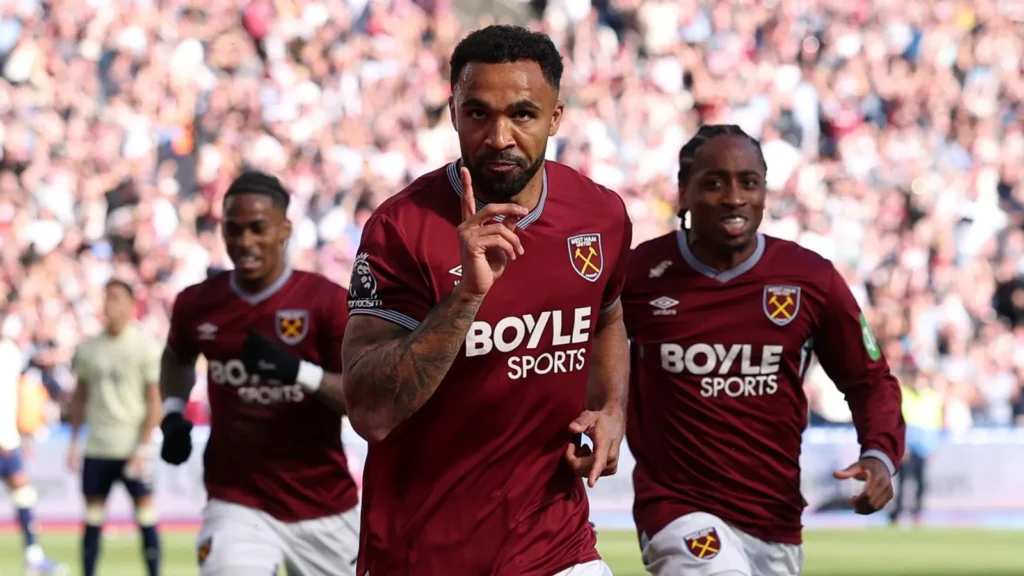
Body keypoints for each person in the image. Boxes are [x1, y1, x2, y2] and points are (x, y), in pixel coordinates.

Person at [339, 24, 632, 575]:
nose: (499, 137)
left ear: (556, 117)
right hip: (421, 552)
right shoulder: (400, 229)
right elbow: (370, 411)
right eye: (478, 114)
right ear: (453, 114)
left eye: (522, 114)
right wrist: (465, 298)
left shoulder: (601, 214)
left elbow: (609, 316)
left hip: (554, 544)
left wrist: (613, 410)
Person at [620, 125, 906, 576]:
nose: (734, 197)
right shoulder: (639, 275)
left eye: (749, 183)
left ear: (765, 193)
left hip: (775, 520)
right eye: (714, 183)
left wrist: (879, 455)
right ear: (684, 192)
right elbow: (580, 356)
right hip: (676, 508)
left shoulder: (810, 279)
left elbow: (869, 381)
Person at [158, 170, 359, 576]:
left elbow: (361, 400)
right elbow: (177, 358)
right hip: (236, 499)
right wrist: (173, 413)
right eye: (233, 230)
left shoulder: (326, 303)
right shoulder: (197, 304)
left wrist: (298, 372)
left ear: (285, 229)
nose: (244, 242)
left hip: (322, 502)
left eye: (257, 229)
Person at [68, 279, 163, 576]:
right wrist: (74, 441)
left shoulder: (145, 346)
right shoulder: (89, 349)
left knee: (145, 514)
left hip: (132, 447)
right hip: (98, 446)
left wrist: (143, 447)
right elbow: (79, 397)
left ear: (132, 304)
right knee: (93, 516)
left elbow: (155, 401)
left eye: (116, 298)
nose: (109, 305)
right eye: (106, 298)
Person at [0, 329, 63, 574]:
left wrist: (22, 432)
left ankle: (33, 557)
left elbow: (17, 395)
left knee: (24, 493)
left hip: (9, 440)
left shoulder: (11, 352)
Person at [889, 372, 944, 527]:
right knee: (902, 479)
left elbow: (935, 423)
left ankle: (917, 511)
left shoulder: (932, 397)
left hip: (924, 444)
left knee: (920, 480)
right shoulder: (904, 395)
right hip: (907, 442)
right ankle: (897, 511)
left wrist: (933, 446)